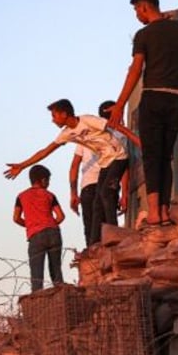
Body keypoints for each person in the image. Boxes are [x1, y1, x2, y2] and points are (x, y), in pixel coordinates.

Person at [107, 0, 178, 226]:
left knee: (152, 157)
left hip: (153, 99)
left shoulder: (143, 35)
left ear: (144, 6)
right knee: (166, 157)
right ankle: (165, 212)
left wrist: (119, 104)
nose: (137, 15)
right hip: (176, 100)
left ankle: (155, 213)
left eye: (137, 9)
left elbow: (136, 69)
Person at [4, 98, 140, 245]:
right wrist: (22, 165)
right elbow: (45, 151)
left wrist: (137, 141)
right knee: (96, 203)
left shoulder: (88, 120)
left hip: (118, 156)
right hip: (105, 161)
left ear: (64, 114)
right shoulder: (67, 133)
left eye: (54, 116)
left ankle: (115, 233)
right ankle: (94, 243)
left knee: (107, 193)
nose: (53, 120)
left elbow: (118, 127)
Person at [69, 100, 130, 247]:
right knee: (108, 227)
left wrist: (73, 193)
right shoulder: (120, 135)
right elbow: (123, 166)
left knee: (91, 232)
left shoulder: (86, 132)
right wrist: (125, 194)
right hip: (108, 182)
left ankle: (93, 262)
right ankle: (114, 248)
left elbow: (74, 166)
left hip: (88, 186)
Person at [14, 164, 66, 291]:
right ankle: (62, 300)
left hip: (35, 235)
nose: (48, 183)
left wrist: (31, 224)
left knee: (37, 276)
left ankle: (39, 305)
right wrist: (49, 223)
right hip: (53, 233)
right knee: (56, 273)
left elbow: (16, 218)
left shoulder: (21, 196)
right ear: (42, 180)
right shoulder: (49, 195)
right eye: (48, 180)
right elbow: (60, 216)